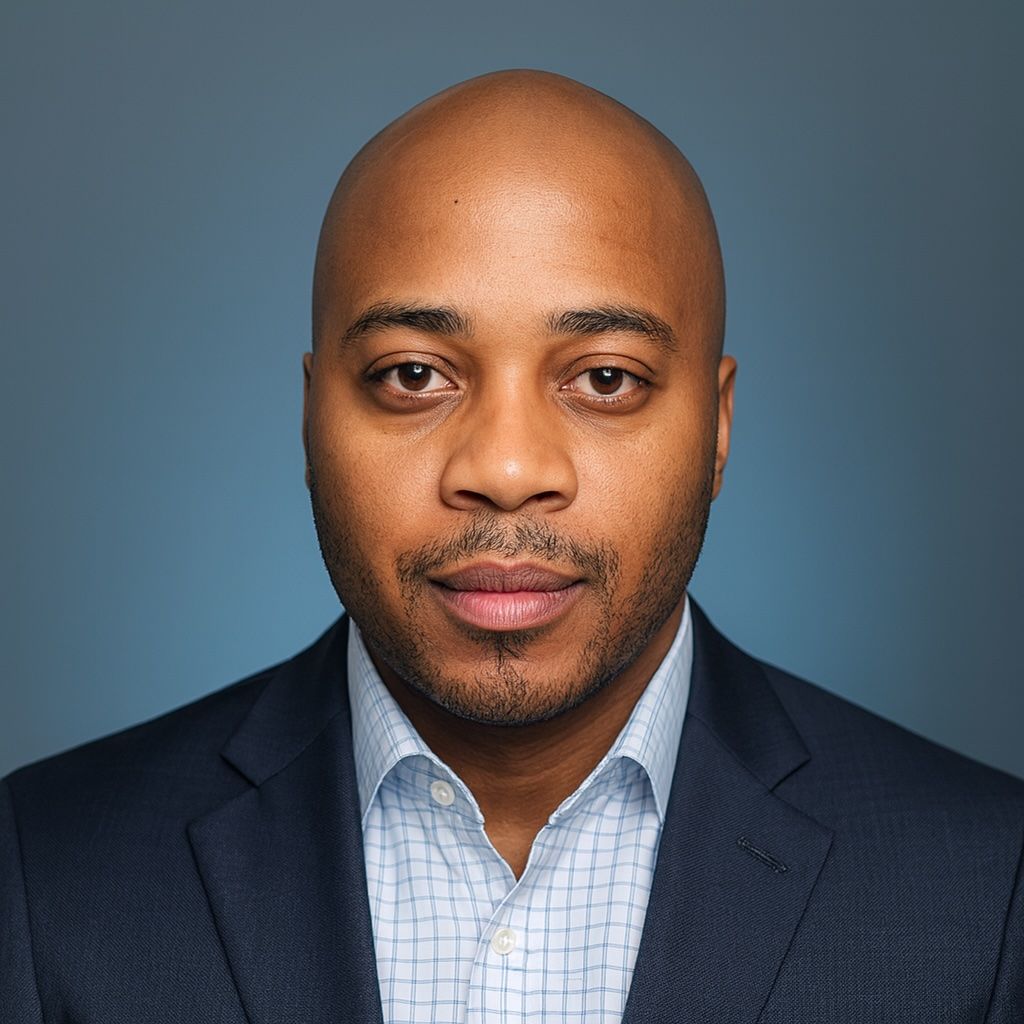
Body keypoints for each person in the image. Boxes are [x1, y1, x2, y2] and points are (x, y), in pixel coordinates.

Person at [1, 69, 1021, 1023]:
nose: (503, 465)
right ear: (311, 419)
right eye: (412, 375)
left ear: (715, 428)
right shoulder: (46, 872)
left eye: (605, 378)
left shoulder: (984, 888)